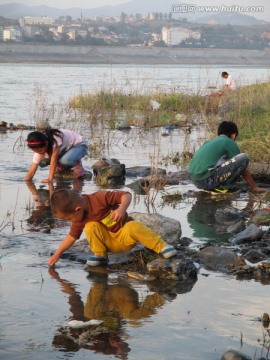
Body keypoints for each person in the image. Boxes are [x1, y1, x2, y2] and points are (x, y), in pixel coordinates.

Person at [48, 189, 177, 267]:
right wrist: (58, 253)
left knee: (133, 226)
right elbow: (71, 237)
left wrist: (121, 209)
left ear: (78, 209)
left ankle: (162, 247)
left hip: (124, 238)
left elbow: (126, 195)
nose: (71, 222)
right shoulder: (80, 219)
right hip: (108, 244)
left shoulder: (99, 198)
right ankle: (100, 255)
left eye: (69, 219)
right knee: (90, 226)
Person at [188, 120, 266, 193]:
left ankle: (211, 187)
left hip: (195, 181)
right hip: (207, 180)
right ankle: (222, 188)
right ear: (233, 135)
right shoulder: (229, 142)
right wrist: (254, 187)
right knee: (243, 157)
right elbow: (242, 166)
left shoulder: (209, 142)